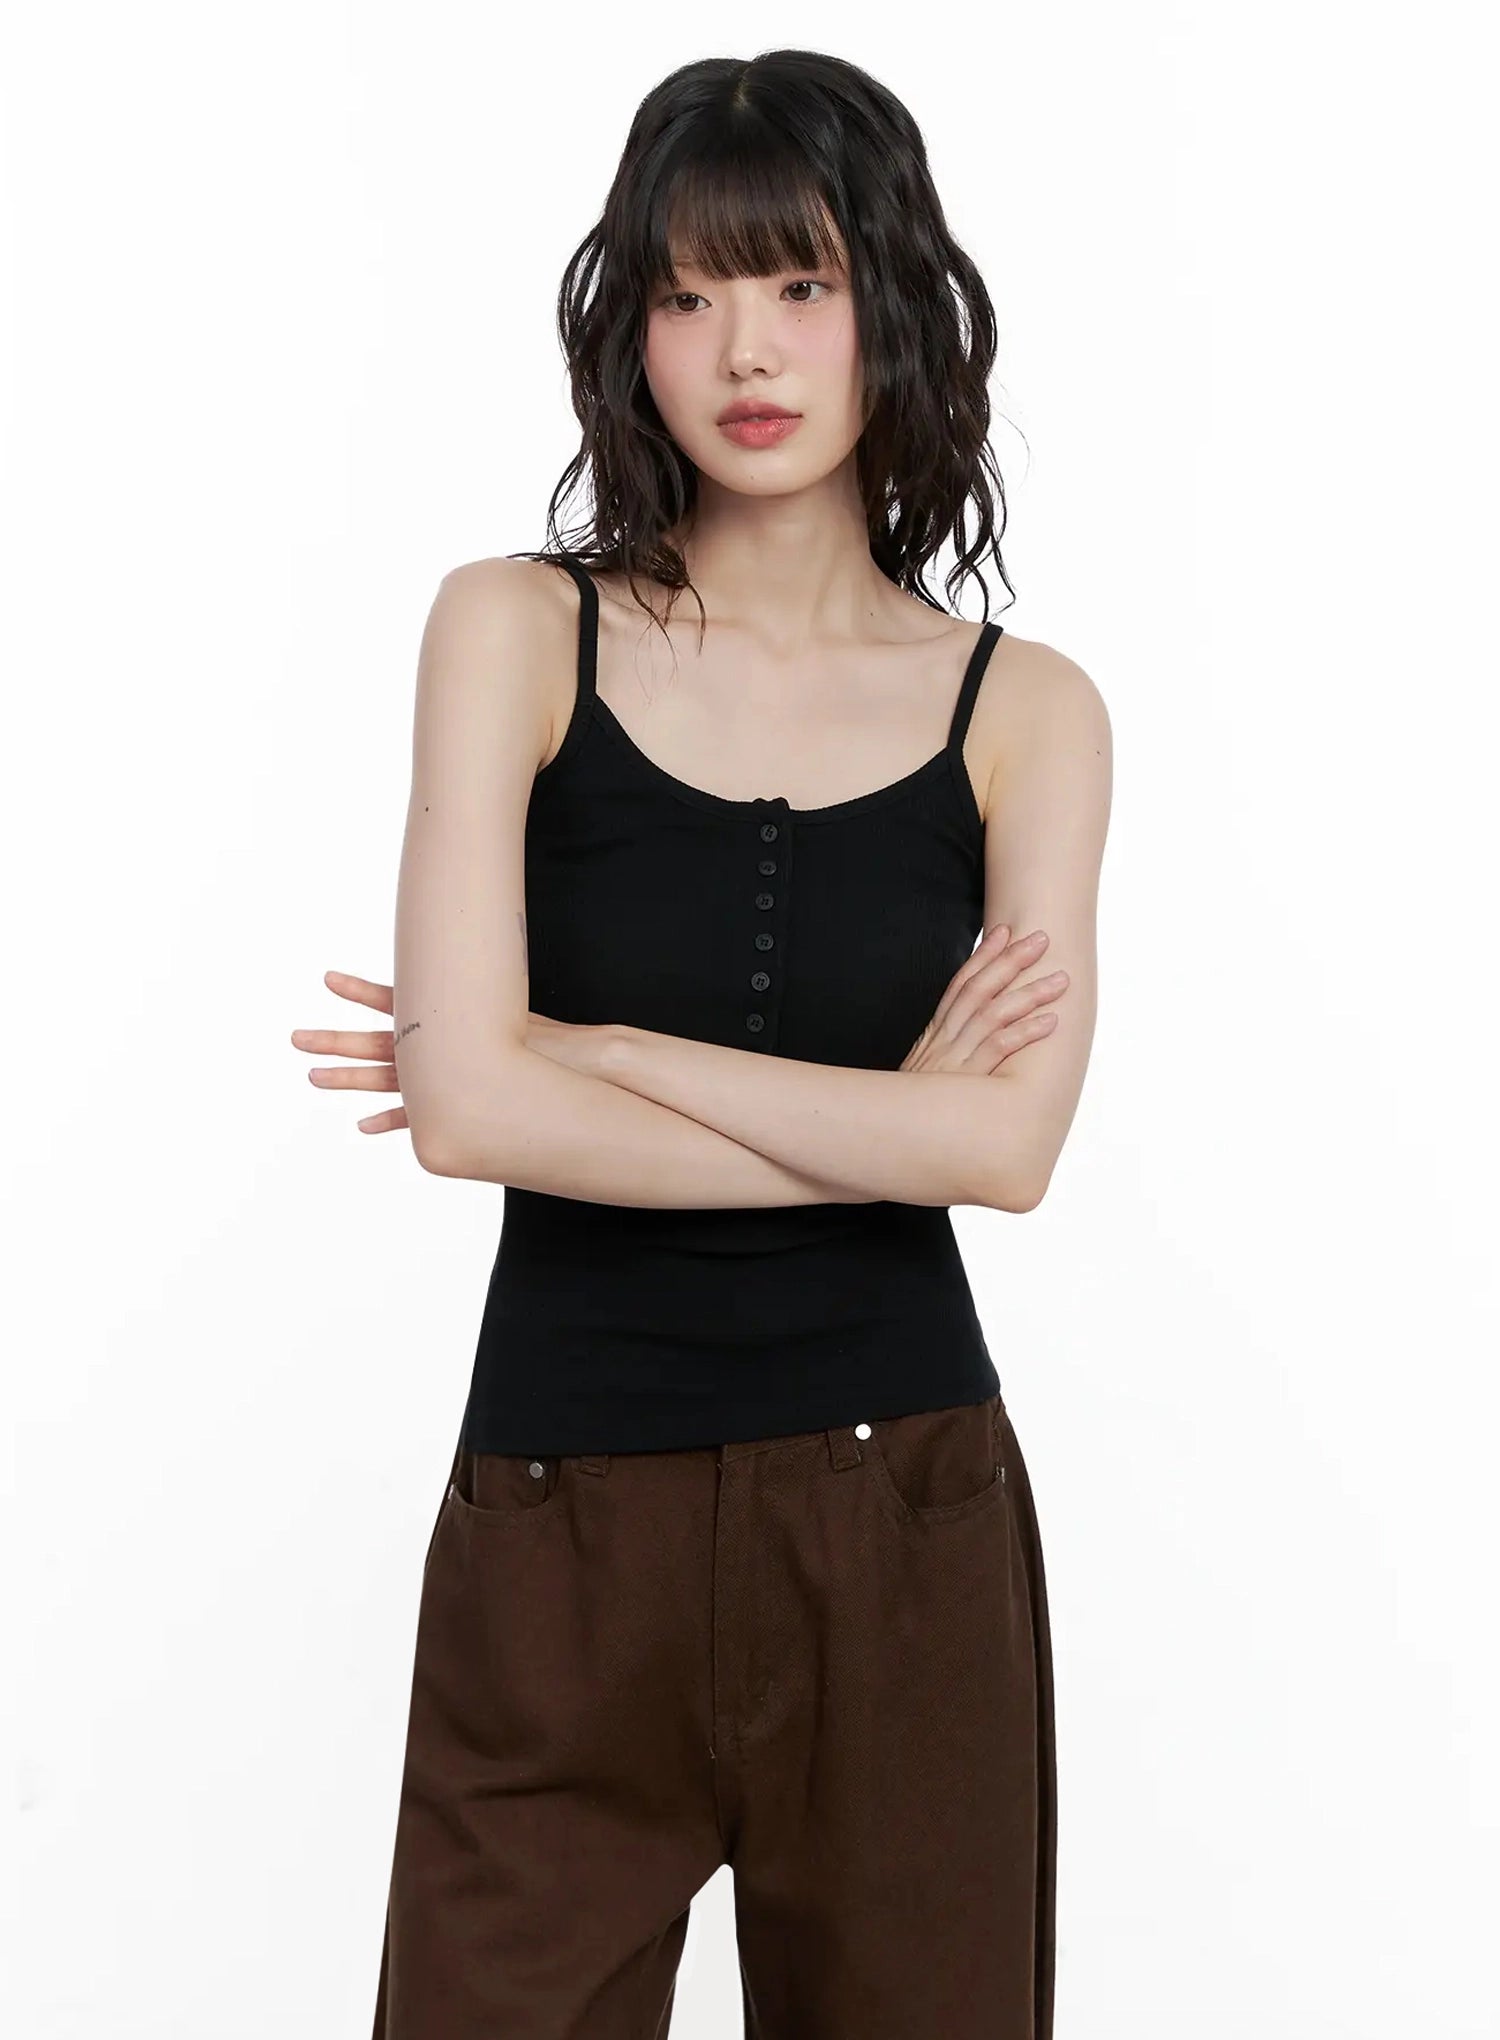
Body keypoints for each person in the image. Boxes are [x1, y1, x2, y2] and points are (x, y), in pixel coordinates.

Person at [292, 47, 1111, 2040]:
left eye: (801, 283)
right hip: (559, 1522)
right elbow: (464, 1113)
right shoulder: (512, 629)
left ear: (892, 304)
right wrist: (887, 1121)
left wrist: (589, 1047)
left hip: (905, 1521)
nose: (745, 347)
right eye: (687, 292)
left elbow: (1006, 1155)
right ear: (630, 333)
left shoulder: (1028, 712)